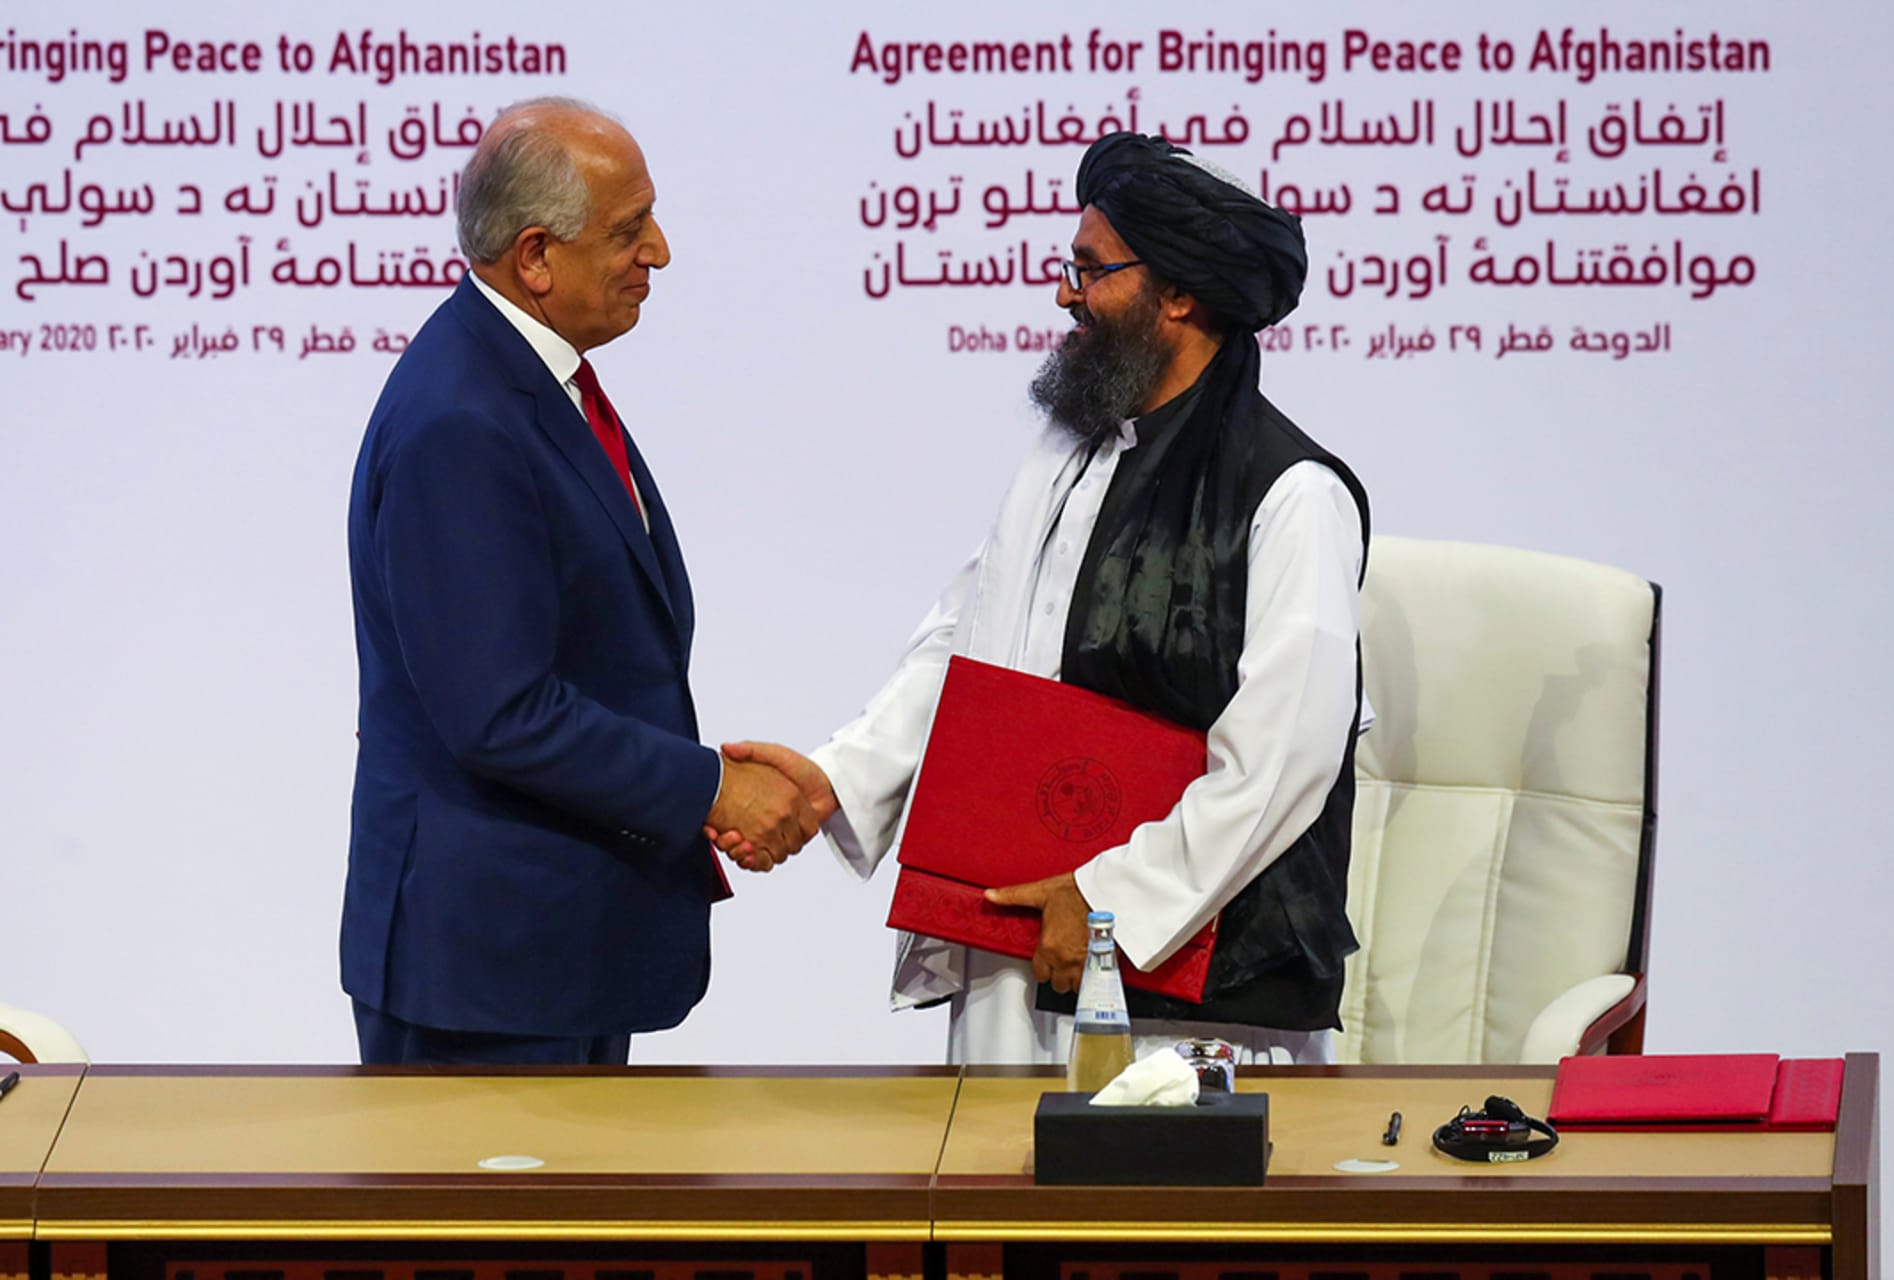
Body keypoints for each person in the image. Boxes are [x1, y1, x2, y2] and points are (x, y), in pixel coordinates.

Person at [716, 133, 1370, 1066]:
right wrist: (838, 780)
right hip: (1015, 944)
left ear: (1178, 295)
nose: (1066, 294)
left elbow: (1283, 761)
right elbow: (968, 643)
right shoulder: (1068, 453)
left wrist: (1111, 902)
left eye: (1091, 270)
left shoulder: (1293, 493)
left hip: (1187, 995)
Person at [342, 98, 814, 1066]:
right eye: (629, 230)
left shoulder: (522, 380)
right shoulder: (462, 421)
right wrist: (710, 787)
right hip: (489, 973)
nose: (660, 252)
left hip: (553, 947)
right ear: (536, 256)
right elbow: (500, 711)